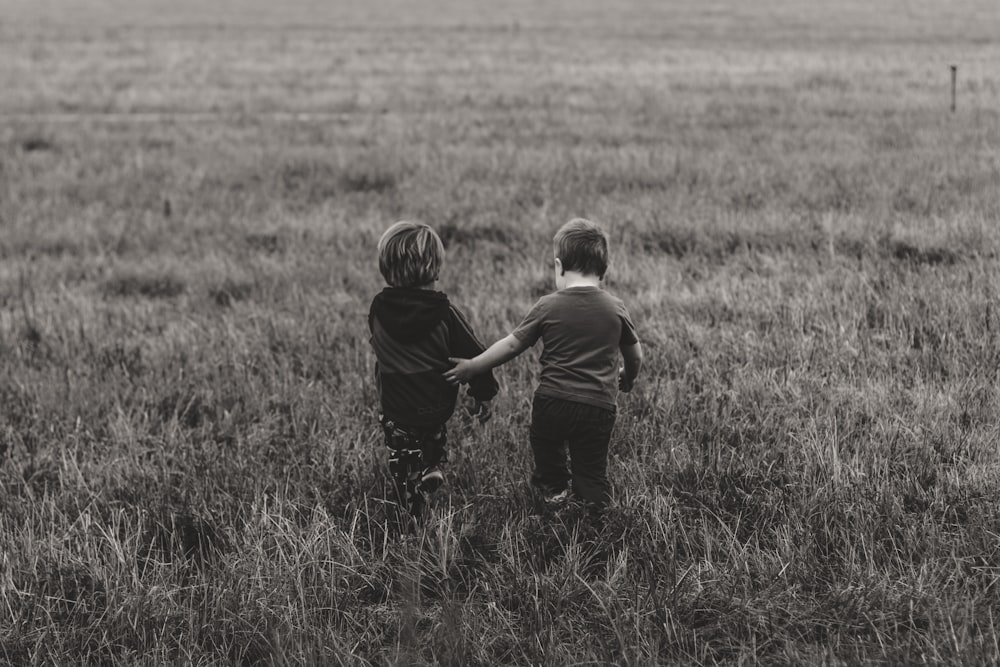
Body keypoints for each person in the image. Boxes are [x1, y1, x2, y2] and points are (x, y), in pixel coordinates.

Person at [444, 218, 642, 512]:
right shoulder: (615, 307)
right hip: (598, 407)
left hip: (553, 402)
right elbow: (635, 354)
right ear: (605, 271)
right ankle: (593, 505)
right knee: (591, 465)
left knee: (547, 448)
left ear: (559, 266)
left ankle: (554, 491)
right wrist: (628, 376)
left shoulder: (547, 305)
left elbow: (512, 344)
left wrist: (474, 365)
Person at [369, 220, 498, 517]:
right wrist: (483, 392)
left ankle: (411, 503)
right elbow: (476, 354)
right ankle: (431, 465)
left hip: (396, 407)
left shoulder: (378, 308)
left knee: (403, 458)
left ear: (386, 268)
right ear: (436, 269)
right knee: (432, 433)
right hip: (436, 404)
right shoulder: (445, 313)